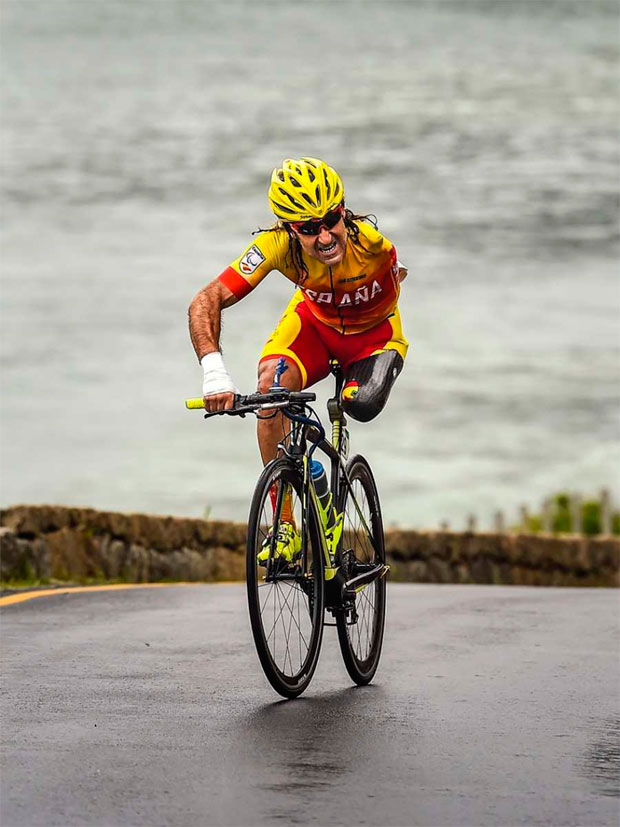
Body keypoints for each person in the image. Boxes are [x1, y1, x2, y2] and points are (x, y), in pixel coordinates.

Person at [188, 157, 408, 561]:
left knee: (359, 405)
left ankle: (337, 496)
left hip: (373, 339)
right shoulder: (274, 247)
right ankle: (285, 527)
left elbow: (400, 275)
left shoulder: (373, 244)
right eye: (308, 229)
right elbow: (207, 300)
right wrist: (214, 372)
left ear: (344, 212)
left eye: (331, 220)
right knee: (269, 389)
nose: (325, 237)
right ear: (288, 229)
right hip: (316, 329)